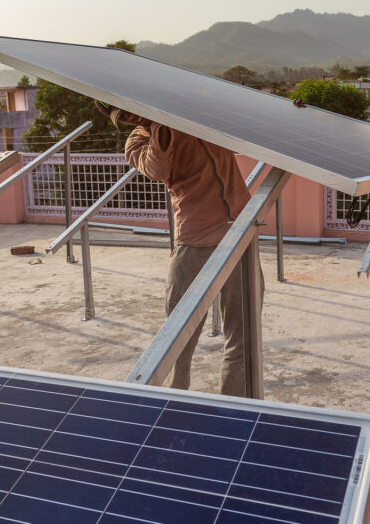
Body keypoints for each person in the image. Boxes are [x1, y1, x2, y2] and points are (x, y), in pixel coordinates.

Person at [101, 105, 260, 397]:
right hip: (194, 241)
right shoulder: (137, 142)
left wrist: (291, 114)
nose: (130, 118)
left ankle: (233, 411)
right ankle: (177, 406)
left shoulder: (194, 115)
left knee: (243, 339)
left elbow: (245, 120)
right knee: (177, 342)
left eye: (128, 110)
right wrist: (160, 128)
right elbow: (156, 169)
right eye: (122, 118)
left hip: (239, 234)